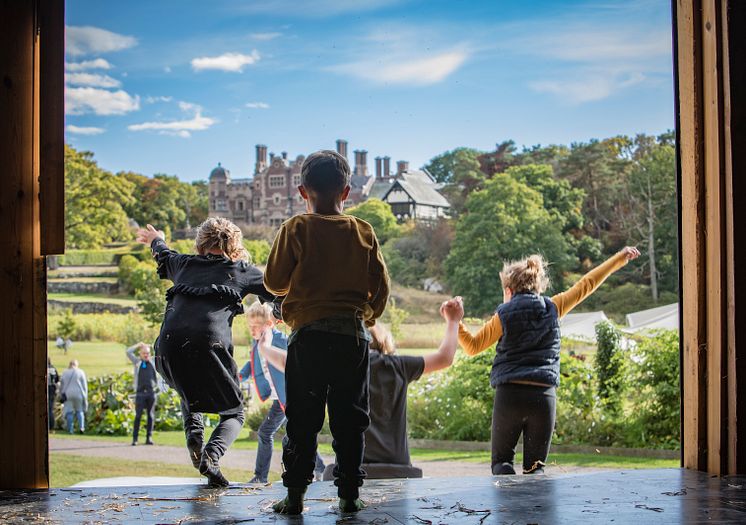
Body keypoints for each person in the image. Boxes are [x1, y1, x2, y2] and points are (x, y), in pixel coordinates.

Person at [264, 150, 389, 514]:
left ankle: (296, 496)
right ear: (347, 191)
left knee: (303, 417)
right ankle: (349, 495)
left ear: (303, 192)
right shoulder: (363, 231)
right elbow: (380, 287)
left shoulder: (296, 228)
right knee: (351, 418)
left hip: (308, 336)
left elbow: (274, 281)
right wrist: (366, 316)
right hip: (352, 337)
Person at [458, 247, 641, 476]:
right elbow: (587, 283)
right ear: (538, 286)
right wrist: (619, 258)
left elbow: (472, 346)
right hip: (543, 396)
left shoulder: (503, 315)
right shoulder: (554, 307)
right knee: (535, 468)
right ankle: (535, 512)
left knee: (502, 463)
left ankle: (508, 511)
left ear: (508, 289)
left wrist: (456, 322)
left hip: (509, 395)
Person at [136, 217, 278, 488]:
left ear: (200, 244)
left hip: (166, 348)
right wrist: (282, 311)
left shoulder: (183, 264)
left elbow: (162, 252)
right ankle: (211, 457)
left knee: (188, 387)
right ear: (235, 246)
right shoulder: (241, 270)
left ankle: (194, 434)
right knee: (234, 413)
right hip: (208, 345)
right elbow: (276, 292)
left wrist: (157, 237)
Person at [318, 297, 463, 481]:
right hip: (398, 468)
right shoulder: (398, 366)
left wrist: (268, 348)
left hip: (351, 467)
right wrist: (453, 321)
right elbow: (444, 358)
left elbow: (287, 362)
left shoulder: (338, 367)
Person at [238, 301, 325, 484]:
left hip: (292, 396)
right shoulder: (257, 344)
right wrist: (238, 377)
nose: (252, 331)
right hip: (281, 399)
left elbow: (294, 362)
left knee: (268, 433)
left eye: (256, 326)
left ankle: (261, 477)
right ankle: (320, 468)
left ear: (269, 324)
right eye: (250, 327)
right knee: (297, 435)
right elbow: (252, 365)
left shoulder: (280, 340)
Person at [126, 342, 159, 446]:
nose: (146, 355)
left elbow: (160, 355)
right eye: (144, 353)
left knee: (150, 415)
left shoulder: (153, 362)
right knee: (138, 416)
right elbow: (128, 352)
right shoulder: (137, 362)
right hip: (140, 393)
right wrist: (138, 345)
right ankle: (135, 439)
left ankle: (149, 437)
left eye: (148, 353)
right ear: (140, 353)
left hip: (151, 393)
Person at [59, 360, 88, 434]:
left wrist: (61, 394)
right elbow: (84, 385)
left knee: (69, 412)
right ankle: (82, 427)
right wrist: (85, 396)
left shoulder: (65, 372)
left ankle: (70, 429)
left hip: (68, 394)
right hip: (79, 394)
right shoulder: (80, 372)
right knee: (79, 410)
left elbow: (61, 385)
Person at [47, 358, 60, 431]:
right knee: (50, 409)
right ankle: (51, 426)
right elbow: (57, 380)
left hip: (47, 389)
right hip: (52, 390)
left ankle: (49, 425)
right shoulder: (53, 368)